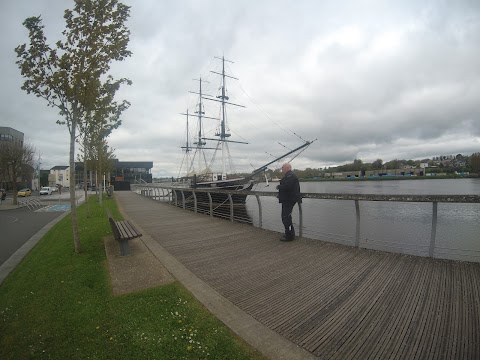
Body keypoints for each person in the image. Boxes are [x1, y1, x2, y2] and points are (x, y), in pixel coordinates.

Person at [276, 163, 302, 241]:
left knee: (286, 217)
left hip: (289, 200)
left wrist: (279, 186)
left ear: (287, 168)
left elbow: (288, 186)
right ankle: (289, 234)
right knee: (286, 217)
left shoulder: (290, 176)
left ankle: (289, 236)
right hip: (287, 199)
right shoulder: (289, 176)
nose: (282, 169)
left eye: (283, 168)